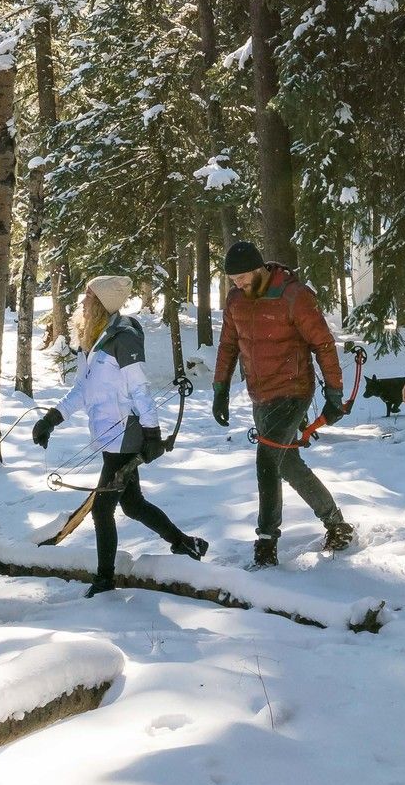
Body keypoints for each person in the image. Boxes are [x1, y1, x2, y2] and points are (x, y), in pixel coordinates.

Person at [31, 272, 207, 596]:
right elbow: (81, 391)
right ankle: (184, 543)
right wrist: (52, 419)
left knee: (102, 509)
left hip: (126, 435)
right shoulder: (94, 342)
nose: (83, 303)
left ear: (100, 304)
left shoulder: (122, 338)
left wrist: (152, 435)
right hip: (109, 437)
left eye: (88, 298)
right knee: (133, 504)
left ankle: (105, 580)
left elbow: (140, 391)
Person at [212, 240, 355, 566]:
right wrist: (220, 388)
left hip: (293, 391)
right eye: (233, 280)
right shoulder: (236, 300)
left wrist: (333, 394)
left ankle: (266, 546)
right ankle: (336, 523)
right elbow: (228, 345)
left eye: (243, 278)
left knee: (266, 460)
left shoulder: (293, 295)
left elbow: (323, 344)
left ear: (259, 269)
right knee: (287, 464)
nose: (238, 285)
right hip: (260, 396)